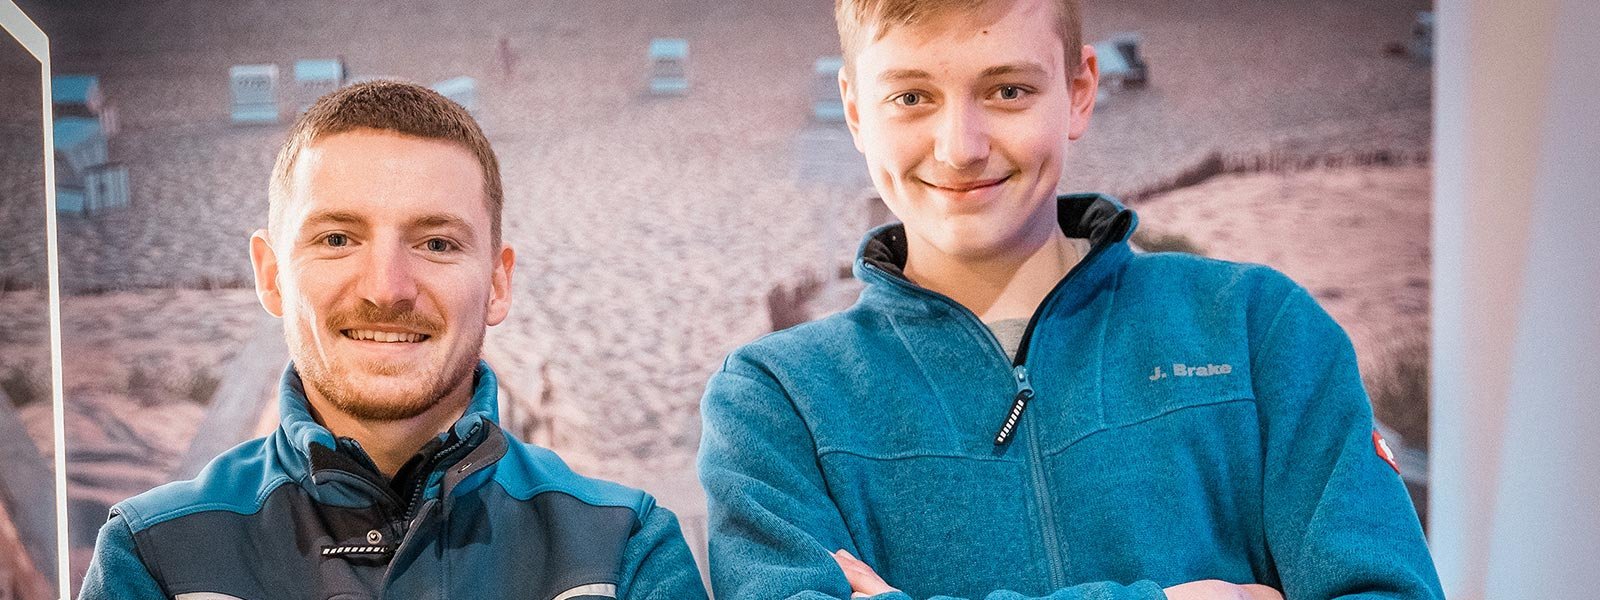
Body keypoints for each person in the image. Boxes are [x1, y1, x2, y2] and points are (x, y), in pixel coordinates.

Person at [696, 0, 1444, 598]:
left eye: (1008, 90)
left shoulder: (1257, 331)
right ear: (857, 112)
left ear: (1079, 91)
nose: (960, 145)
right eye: (912, 96)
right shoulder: (775, 404)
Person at [80, 81, 708, 600]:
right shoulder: (155, 556)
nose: (387, 289)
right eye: (337, 239)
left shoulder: (623, 549)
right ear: (271, 276)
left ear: (496, 283)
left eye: (436, 243)